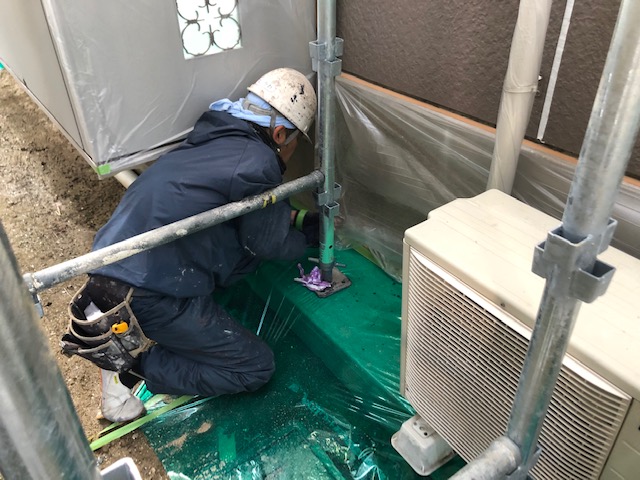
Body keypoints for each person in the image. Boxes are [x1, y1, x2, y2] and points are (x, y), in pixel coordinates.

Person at [62, 68, 319, 422]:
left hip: (111, 265)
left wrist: (291, 218)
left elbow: (240, 210)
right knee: (254, 367)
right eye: (294, 143)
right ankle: (132, 366)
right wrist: (305, 239)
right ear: (279, 134)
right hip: (146, 293)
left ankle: (129, 344)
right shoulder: (259, 162)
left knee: (232, 255)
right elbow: (266, 243)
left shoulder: (214, 135)